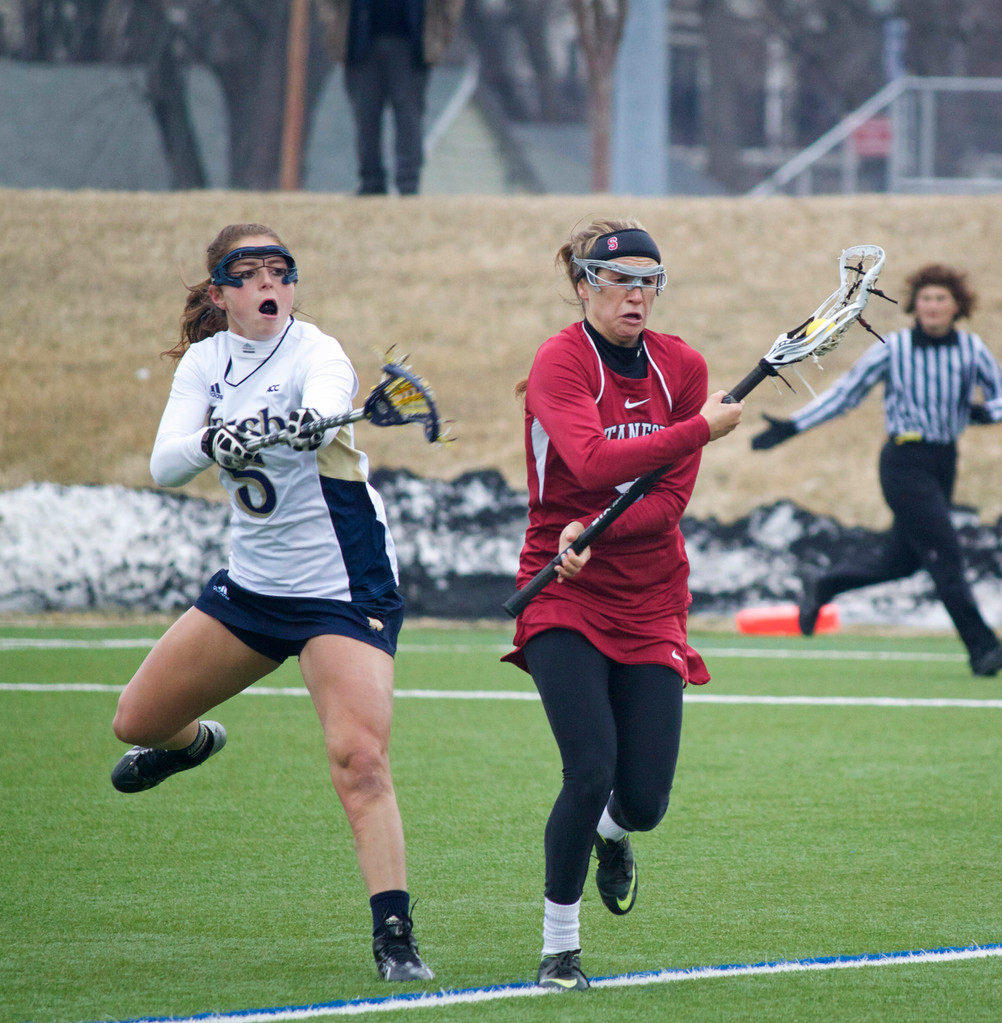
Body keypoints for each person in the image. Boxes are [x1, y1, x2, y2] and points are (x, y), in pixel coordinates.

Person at [110, 224, 434, 983]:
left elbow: (325, 401)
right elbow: (163, 465)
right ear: (220, 293)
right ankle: (190, 745)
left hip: (341, 589)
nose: (268, 284)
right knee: (136, 722)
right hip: (254, 588)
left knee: (359, 760)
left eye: (280, 271)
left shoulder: (318, 352)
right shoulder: (206, 362)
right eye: (248, 272)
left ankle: (394, 937)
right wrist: (216, 440)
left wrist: (302, 421)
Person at [502, 217, 744, 991]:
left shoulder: (683, 368)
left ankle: (615, 833)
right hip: (562, 590)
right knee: (589, 766)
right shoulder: (560, 360)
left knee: (643, 797)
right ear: (584, 286)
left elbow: (667, 501)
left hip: (651, 597)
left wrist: (598, 530)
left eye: (649, 282)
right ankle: (560, 950)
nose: (636, 295)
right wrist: (696, 432)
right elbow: (593, 460)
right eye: (619, 280)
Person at [752, 263, 1002, 677]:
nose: (933, 306)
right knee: (945, 553)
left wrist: (984, 413)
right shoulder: (893, 348)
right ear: (915, 305)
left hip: (944, 461)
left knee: (903, 561)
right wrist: (791, 426)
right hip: (904, 463)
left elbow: (999, 399)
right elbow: (845, 394)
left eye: (941, 298)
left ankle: (826, 584)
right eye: (926, 298)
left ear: (957, 306)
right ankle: (984, 648)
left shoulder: (971, 350)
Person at [320, 0, 465, 195]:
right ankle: (370, 184)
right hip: (360, 43)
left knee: (409, 119)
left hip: (412, 45)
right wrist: (333, 22)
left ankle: (408, 185)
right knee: (366, 118)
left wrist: (440, 31)